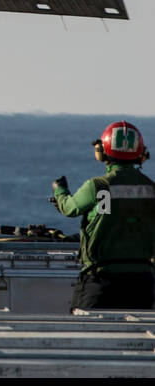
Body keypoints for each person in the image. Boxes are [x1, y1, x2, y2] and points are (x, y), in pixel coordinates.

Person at [52, 120, 155, 311]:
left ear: (103, 152)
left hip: (101, 281)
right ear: (140, 154)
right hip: (142, 284)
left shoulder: (99, 187)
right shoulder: (151, 189)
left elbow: (70, 209)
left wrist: (60, 192)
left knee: (85, 336)